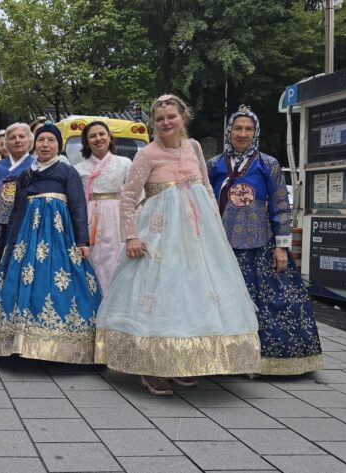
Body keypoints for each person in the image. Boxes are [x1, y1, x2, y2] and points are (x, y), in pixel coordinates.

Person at [96, 94, 260, 396]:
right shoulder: (146, 154)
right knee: (160, 293)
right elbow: (128, 197)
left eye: (171, 116)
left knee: (194, 294)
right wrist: (131, 236)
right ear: (153, 123)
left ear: (183, 117)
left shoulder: (194, 147)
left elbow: (207, 188)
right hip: (159, 234)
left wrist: (215, 228)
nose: (165, 122)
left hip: (197, 234)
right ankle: (151, 367)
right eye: (159, 119)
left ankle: (181, 359)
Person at [208, 105, 322, 375]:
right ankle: (223, 359)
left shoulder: (268, 164)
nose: (243, 134)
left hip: (261, 247)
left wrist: (282, 247)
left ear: (255, 133)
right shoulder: (214, 165)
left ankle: (268, 361)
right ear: (229, 132)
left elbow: (281, 206)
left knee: (275, 302)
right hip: (222, 248)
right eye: (238, 128)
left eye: (248, 129)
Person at [0, 122, 101, 363]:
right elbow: (17, 210)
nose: (45, 145)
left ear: (58, 145)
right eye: (41, 140)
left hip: (59, 236)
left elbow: (78, 207)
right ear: (34, 144)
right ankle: (18, 340)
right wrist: (11, 241)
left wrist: (82, 240)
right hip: (26, 236)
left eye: (51, 140)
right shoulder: (25, 175)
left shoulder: (67, 172)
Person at [73, 121, 132, 295]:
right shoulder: (78, 169)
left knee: (116, 257)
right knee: (92, 258)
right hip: (90, 216)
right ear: (86, 142)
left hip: (117, 215)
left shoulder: (125, 163)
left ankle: (116, 301)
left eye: (102, 134)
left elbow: (135, 196)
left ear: (109, 137)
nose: (98, 138)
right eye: (92, 136)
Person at [0, 123, 34, 262]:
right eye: (13, 138)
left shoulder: (35, 165)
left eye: (22, 136)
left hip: (24, 220)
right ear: (6, 143)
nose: (17, 140)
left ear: (30, 140)